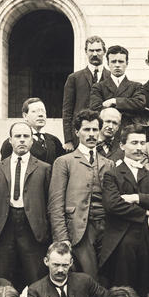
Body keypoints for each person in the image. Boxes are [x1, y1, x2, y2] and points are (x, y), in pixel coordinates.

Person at [100, 125, 149, 297]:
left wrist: (137, 197)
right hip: (122, 242)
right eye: (134, 143)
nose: (139, 147)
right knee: (123, 291)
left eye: (142, 143)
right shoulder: (112, 175)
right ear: (122, 146)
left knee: (146, 289)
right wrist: (146, 212)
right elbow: (113, 204)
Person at [0, 121, 53, 291]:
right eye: (18, 136)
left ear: (32, 141)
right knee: (4, 278)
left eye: (26, 136)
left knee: (36, 277)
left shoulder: (45, 169)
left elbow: (49, 202)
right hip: (6, 226)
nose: (22, 140)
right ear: (10, 140)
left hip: (33, 229)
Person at [49, 109, 113, 279]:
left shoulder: (109, 163)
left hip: (107, 229)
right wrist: (62, 238)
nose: (91, 134)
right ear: (77, 132)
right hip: (79, 231)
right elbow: (56, 204)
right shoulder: (64, 162)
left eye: (95, 130)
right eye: (86, 130)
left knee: (107, 276)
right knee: (87, 277)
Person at [62, 36, 108, 150]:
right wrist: (68, 140)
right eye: (91, 50)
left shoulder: (111, 77)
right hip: (79, 137)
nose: (95, 54)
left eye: (98, 50)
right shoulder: (74, 78)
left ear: (104, 52)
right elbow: (67, 111)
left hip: (104, 136)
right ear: (86, 52)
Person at [89, 44, 146, 128]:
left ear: (127, 63)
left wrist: (115, 101)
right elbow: (95, 109)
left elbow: (140, 104)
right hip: (107, 131)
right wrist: (128, 108)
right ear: (108, 63)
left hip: (129, 132)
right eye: (113, 61)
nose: (117, 65)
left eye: (121, 61)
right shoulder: (98, 87)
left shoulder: (136, 86)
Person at [1, 97, 65, 166]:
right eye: (35, 111)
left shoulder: (54, 141)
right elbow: (4, 170)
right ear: (25, 116)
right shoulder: (12, 142)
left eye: (43, 111)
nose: (41, 115)